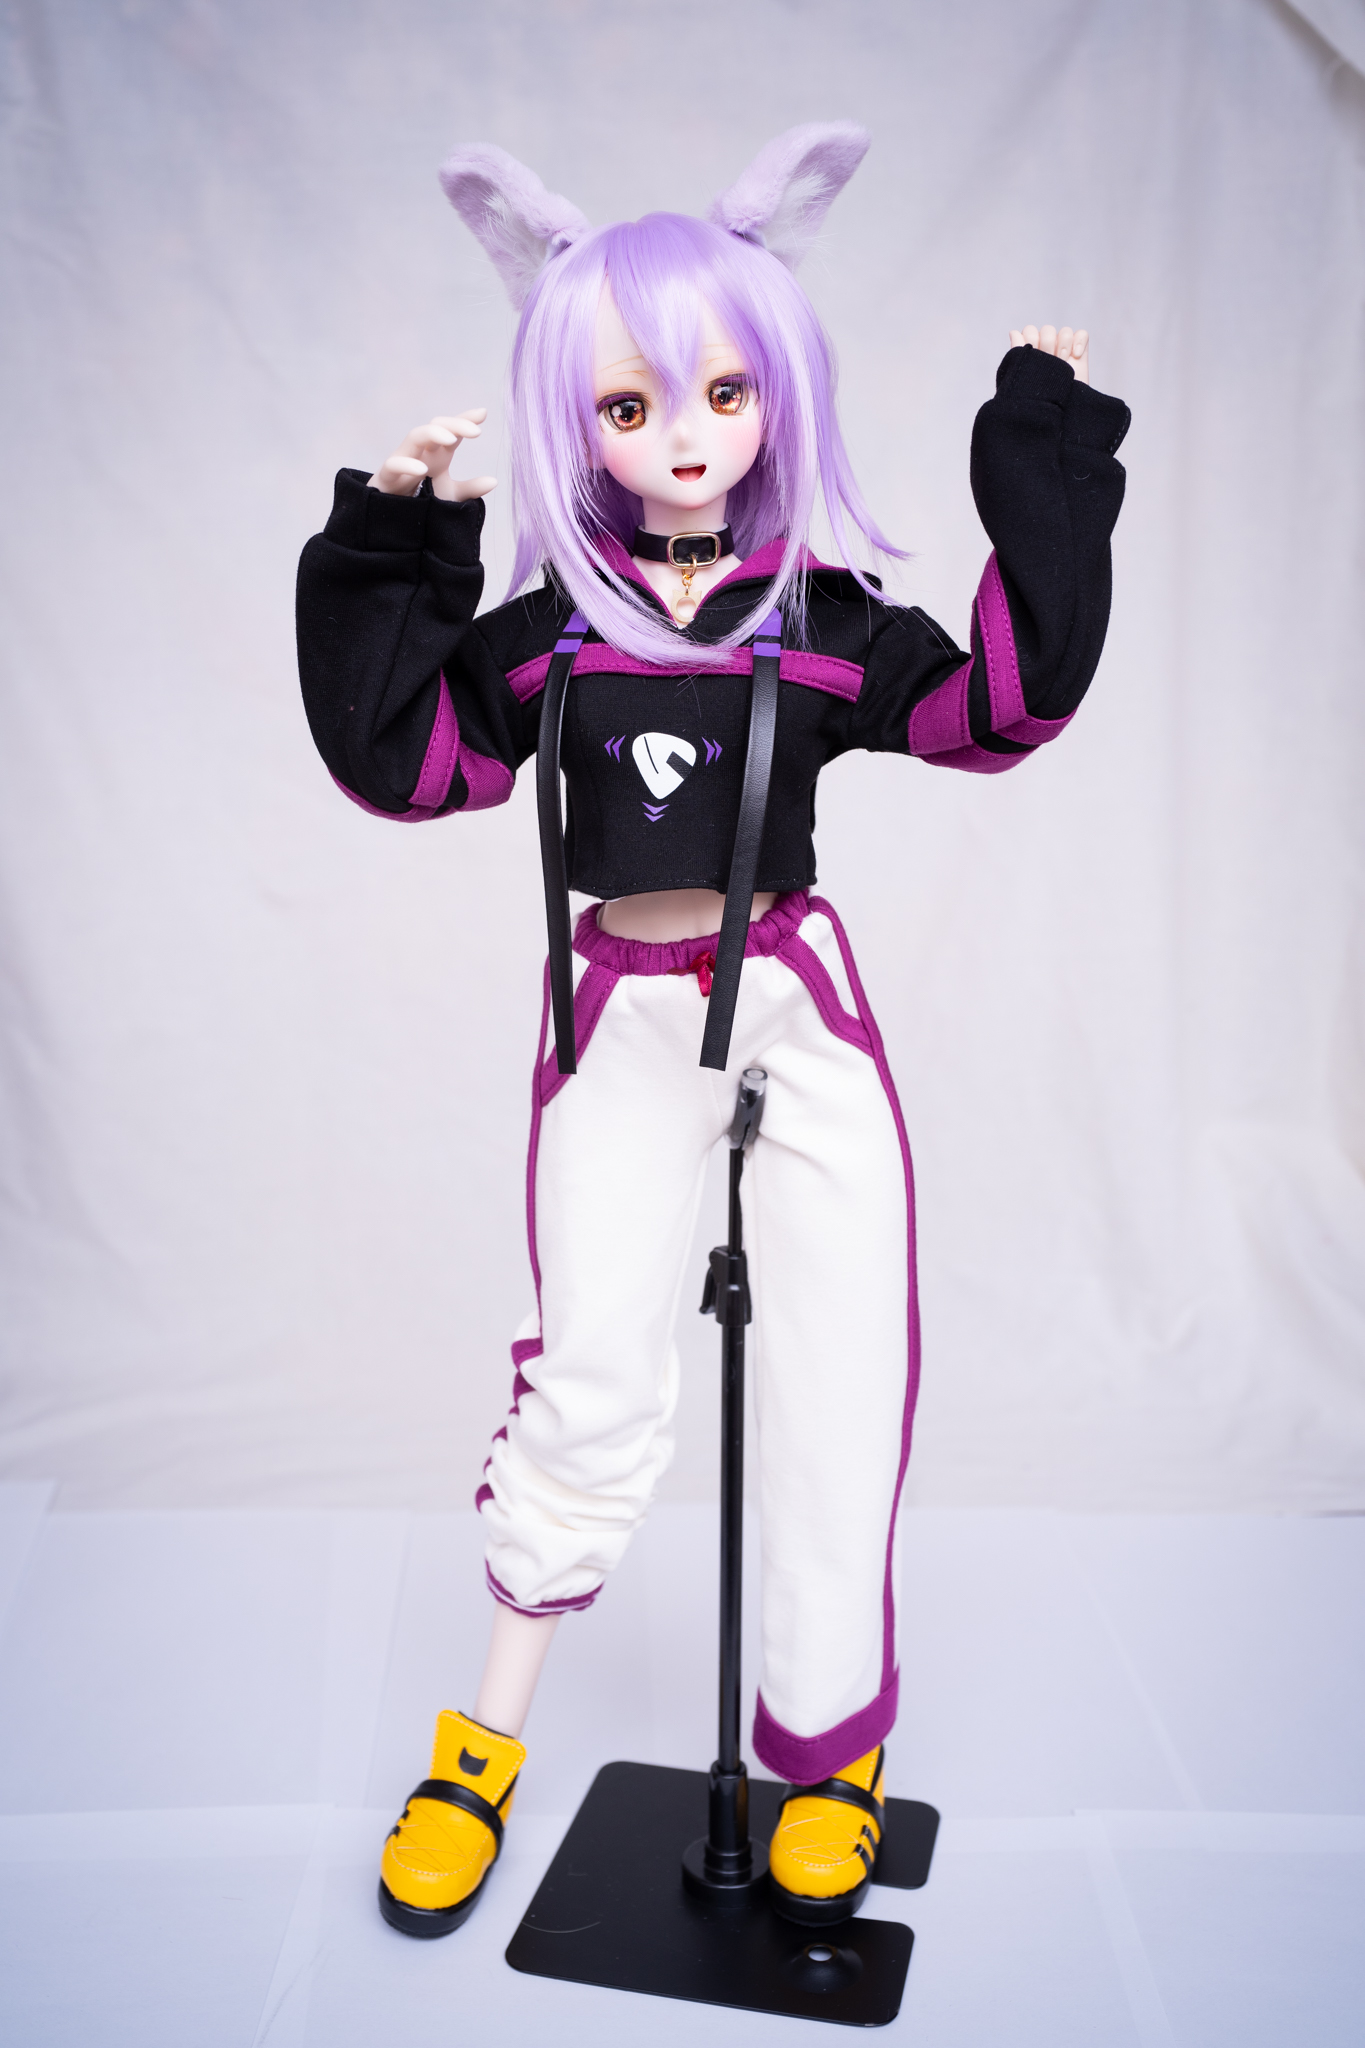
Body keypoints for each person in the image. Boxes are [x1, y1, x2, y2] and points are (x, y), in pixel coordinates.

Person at [295, 123, 1130, 1938]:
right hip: (614, 1017)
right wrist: (393, 543)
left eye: (724, 391)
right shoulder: (551, 637)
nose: (683, 437)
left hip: (797, 1011)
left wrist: (1044, 464)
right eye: (628, 405)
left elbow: (995, 711)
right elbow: (403, 764)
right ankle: (483, 1744)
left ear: (774, 395)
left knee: (839, 1373)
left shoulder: (817, 619)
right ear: (573, 421)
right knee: (588, 1376)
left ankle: (829, 1751)